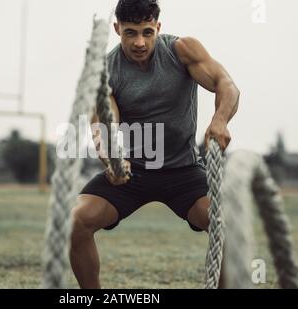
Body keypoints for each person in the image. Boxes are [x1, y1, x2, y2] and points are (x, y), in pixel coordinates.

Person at [70, 0, 240, 289]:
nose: (139, 42)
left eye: (147, 32)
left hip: (183, 170)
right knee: (76, 222)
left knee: (228, 224)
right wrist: (111, 157)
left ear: (158, 28)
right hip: (132, 171)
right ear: (117, 29)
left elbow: (226, 84)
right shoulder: (106, 72)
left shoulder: (182, 50)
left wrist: (220, 120)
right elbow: (103, 124)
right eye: (131, 33)